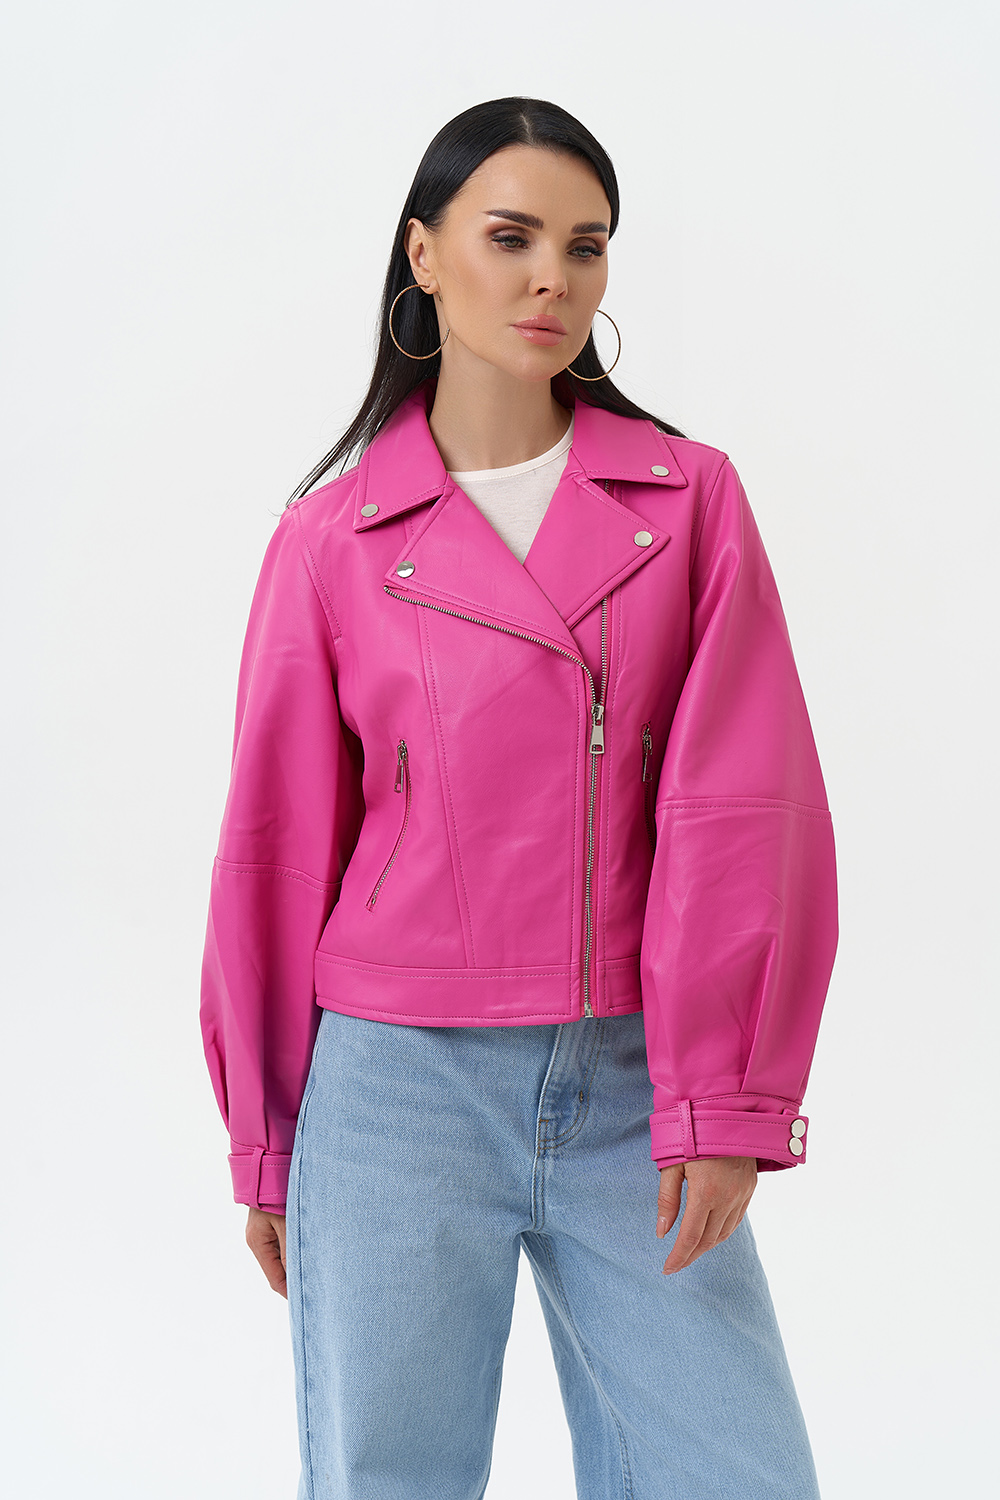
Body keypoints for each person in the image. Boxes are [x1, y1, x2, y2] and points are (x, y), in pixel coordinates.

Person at [199, 96, 839, 1500]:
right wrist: (268, 1134)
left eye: (585, 246)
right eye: (512, 238)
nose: (553, 276)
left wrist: (725, 1102)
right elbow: (273, 849)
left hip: (636, 1075)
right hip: (394, 1088)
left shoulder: (689, 502)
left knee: (736, 1472)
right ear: (424, 255)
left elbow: (747, 809)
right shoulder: (331, 537)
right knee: (390, 1476)